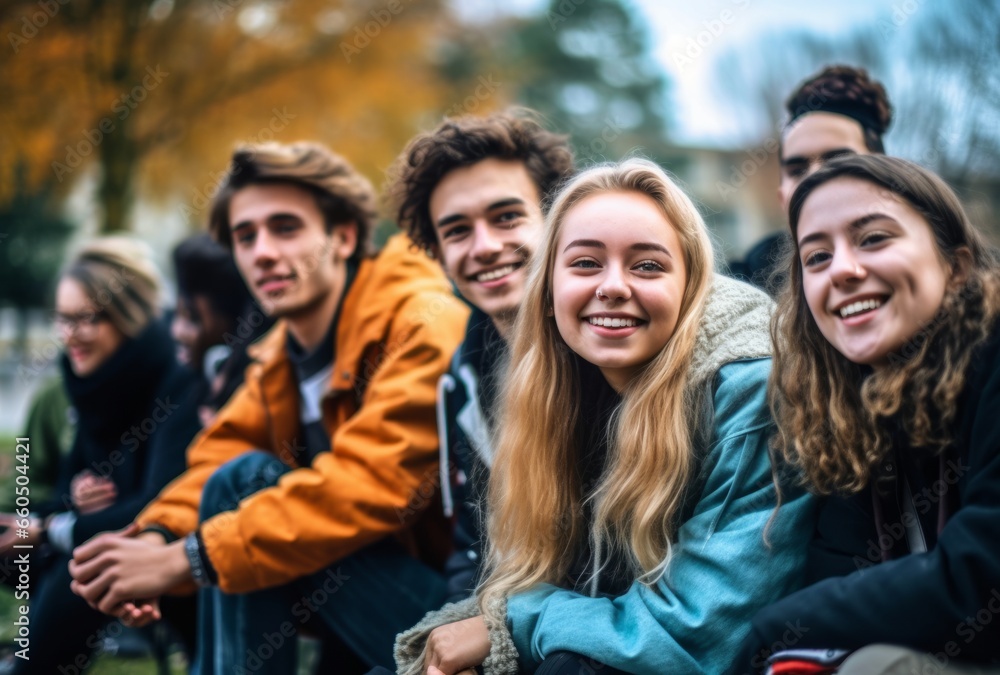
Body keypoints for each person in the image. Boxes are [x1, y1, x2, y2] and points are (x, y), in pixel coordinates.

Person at [395, 159, 816, 674]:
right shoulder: (562, 389)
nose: (613, 285)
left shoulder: (752, 389)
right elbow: (540, 580)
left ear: (692, 288)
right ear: (548, 291)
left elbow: (697, 637)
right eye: (586, 263)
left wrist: (508, 623)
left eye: (647, 266)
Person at [69, 141, 469, 673]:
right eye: (245, 236)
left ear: (344, 236)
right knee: (233, 484)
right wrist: (150, 541)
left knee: (243, 490)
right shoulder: (282, 352)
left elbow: (370, 485)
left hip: (459, 614)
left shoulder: (420, 320)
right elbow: (219, 453)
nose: (262, 253)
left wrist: (184, 560)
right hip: (361, 597)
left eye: (286, 228)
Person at [732, 155, 1000, 674]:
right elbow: (835, 576)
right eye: (816, 257)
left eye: (874, 238)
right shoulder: (848, 410)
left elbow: (980, 578)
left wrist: (773, 629)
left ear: (956, 264)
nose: (844, 270)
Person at [389, 109, 575, 602]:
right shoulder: (460, 380)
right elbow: (472, 556)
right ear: (437, 253)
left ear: (558, 217)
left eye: (507, 217)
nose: (485, 247)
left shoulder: (620, 351)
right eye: (456, 231)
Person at [0, 238, 202, 674]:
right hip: (97, 539)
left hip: (170, 551)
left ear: (126, 315)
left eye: (85, 319)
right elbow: (66, 488)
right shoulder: (88, 379)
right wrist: (59, 508)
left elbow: (161, 503)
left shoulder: (177, 375)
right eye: (62, 319)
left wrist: (49, 526)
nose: (69, 334)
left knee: (85, 563)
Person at [734, 65, 893, 295]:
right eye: (797, 170)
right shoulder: (743, 284)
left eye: (837, 162)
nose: (813, 180)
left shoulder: (931, 256)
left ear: (886, 177)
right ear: (782, 197)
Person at [171, 233, 274, 426]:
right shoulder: (184, 388)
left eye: (192, 318)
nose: (176, 331)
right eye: (177, 315)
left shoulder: (258, 391)